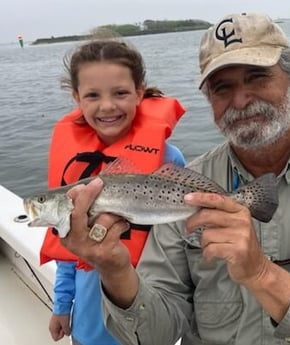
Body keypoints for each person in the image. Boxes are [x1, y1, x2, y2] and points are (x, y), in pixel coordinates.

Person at [60, 12, 290, 344]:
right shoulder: (180, 189)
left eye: (257, 77)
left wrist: (262, 275)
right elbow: (157, 335)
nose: (241, 100)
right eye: (222, 87)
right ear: (209, 99)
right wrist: (114, 270)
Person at [40, 39, 186, 345]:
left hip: (145, 319)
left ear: (139, 93)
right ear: (77, 97)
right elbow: (65, 248)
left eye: (120, 93)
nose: (107, 106)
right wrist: (62, 305)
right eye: (92, 95)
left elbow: (176, 252)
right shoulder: (73, 167)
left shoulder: (169, 159)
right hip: (88, 326)